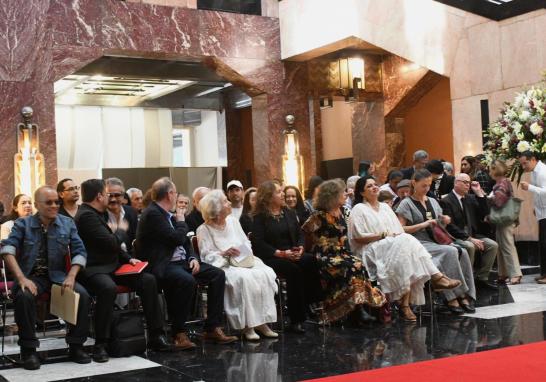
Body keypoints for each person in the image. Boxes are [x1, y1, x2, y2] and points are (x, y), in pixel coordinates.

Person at [75, 179, 172, 362]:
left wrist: (129, 259)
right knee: (107, 288)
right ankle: (101, 344)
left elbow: (113, 247)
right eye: (106, 193)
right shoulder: (86, 216)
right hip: (94, 269)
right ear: (99, 196)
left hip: (112, 266)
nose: (109, 197)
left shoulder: (98, 213)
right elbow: (111, 242)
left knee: (148, 280)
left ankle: (155, 335)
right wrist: (121, 229)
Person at [135, 177, 237, 347]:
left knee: (217, 274)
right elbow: (176, 238)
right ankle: (179, 333)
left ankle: (212, 327)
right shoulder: (152, 213)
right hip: (162, 264)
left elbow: (185, 242)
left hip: (180, 261)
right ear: (169, 194)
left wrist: (192, 257)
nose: (176, 196)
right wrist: (181, 222)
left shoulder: (167, 214)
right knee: (186, 280)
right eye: (175, 193)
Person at [0, 186, 91, 370]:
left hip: (58, 276)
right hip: (31, 277)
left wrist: (72, 276)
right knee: (24, 296)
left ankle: (76, 345)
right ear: (37, 205)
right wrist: (22, 279)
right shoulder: (22, 224)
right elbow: (7, 250)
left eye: (57, 202)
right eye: (48, 202)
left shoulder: (67, 223)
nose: (54, 206)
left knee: (83, 295)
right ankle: (29, 350)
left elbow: (80, 251)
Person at [349, 176, 461, 321]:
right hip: (370, 248)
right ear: (362, 192)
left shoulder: (384, 207)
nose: (375, 187)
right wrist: (382, 235)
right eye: (369, 186)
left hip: (392, 245)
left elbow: (399, 231)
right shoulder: (359, 209)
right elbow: (358, 237)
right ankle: (435, 277)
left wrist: (392, 237)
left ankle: (406, 304)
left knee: (406, 252)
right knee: (407, 242)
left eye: (375, 184)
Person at [197, 190, 278, 340]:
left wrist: (242, 250)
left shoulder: (233, 221)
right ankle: (248, 325)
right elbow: (205, 256)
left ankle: (262, 322)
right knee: (243, 279)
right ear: (217, 209)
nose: (229, 203)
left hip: (242, 259)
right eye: (225, 201)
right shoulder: (203, 229)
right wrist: (224, 253)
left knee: (264, 273)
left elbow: (245, 241)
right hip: (224, 265)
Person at [302, 179, 386, 324]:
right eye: (342, 192)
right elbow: (305, 233)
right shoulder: (319, 215)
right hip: (325, 255)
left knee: (359, 264)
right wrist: (311, 251)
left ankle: (356, 309)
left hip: (342, 252)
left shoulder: (343, 212)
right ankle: (352, 311)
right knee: (351, 266)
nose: (346, 194)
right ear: (332, 196)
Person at [396, 169, 476, 315]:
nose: (427, 189)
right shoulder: (406, 204)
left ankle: (465, 294)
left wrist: (445, 220)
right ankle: (454, 296)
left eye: (429, 185)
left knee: (462, 251)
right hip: (418, 243)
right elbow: (401, 229)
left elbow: (439, 223)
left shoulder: (432, 201)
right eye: (423, 185)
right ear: (414, 183)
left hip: (436, 240)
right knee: (451, 251)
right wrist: (423, 225)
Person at [251, 180, 321, 333]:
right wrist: (281, 254)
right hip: (272, 256)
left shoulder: (289, 212)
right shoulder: (259, 217)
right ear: (268, 197)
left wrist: (300, 248)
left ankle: (310, 304)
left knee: (310, 261)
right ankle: (296, 319)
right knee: (293, 270)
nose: (282, 194)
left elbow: (300, 233)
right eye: (279, 192)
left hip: (291, 252)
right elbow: (258, 244)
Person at [440, 173, 498, 290]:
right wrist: (469, 238)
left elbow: (484, 213)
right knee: (470, 246)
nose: (468, 185)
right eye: (465, 182)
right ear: (456, 183)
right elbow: (450, 226)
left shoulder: (470, 198)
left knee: (493, 245)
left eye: (469, 182)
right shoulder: (446, 200)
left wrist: (479, 194)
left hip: (473, 234)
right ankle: (467, 281)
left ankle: (481, 278)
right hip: (456, 237)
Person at [489, 160, 522, 285]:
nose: (489, 172)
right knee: (502, 245)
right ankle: (503, 273)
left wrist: (487, 197)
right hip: (506, 218)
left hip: (504, 219)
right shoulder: (506, 182)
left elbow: (498, 202)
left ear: (494, 170)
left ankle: (515, 274)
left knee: (507, 246)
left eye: (490, 169)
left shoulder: (500, 184)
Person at [518, 151, 546, 283]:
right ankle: (544, 273)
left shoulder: (542, 171)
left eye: (525, 163)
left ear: (533, 159)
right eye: (522, 164)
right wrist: (537, 208)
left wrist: (529, 187)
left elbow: (545, 191)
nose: (524, 167)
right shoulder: (535, 171)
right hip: (543, 213)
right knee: (543, 244)